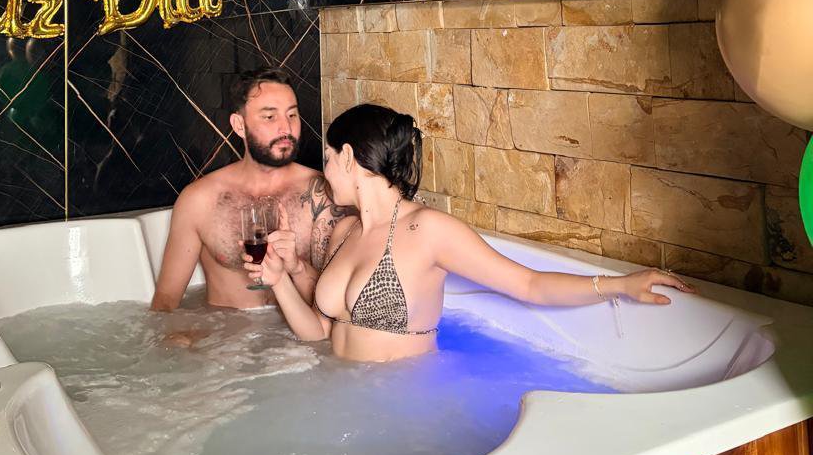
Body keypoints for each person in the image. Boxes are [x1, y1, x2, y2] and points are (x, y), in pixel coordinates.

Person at [245, 103, 697, 363]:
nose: (324, 172)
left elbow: (528, 284)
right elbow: (320, 332)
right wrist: (279, 279)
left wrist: (618, 285)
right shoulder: (345, 230)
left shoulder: (428, 230)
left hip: (401, 409)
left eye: (327, 159)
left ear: (347, 157)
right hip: (340, 399)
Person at [151, 68, 351, 312]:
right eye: (270, 117)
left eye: (292, 115)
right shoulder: (200, 200)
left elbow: (337, 309)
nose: (286, 128)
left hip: (299, 333)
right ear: (239, 125)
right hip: (228, 331)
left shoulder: (324, 195)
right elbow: (165, 302)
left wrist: (296, 266)